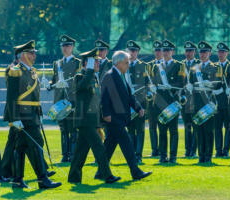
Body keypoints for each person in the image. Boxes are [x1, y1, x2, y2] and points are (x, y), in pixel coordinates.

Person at [4, 40, 61, 189]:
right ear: (22, 55)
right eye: (30, 53)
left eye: (34, 53)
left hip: (32, 115)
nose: (34, 55)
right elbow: (11, 97)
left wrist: (38, 113)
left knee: (21, 147)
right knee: (37, 144)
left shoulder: (31, 71)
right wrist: (14, 118)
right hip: (23, 115)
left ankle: (17, 180)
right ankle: (42, 179)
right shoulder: (16, 71)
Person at [68, 48, 120, 184]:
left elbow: (96, 101)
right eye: (95, 62)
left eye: (98, 62)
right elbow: (81, 87)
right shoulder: (80, 76)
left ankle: (73, 177)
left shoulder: (94, 77)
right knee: (99, 148)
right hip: (84, 120)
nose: (98, 64)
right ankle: (107, 175)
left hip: (91, 121)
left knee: (81, 151)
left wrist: (99, 122)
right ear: (87, 64)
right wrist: (90, 70)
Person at [97, 50, 152, 180]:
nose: (128, 65)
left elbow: (129, 95)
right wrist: (106, 114)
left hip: (119, 117)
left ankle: (100, 172)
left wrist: (138, 108)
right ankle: (135, 171)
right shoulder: (109, 76)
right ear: (119, 63)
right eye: (126, 63)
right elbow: (104, 97)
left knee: (109, 146)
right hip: (113, 118)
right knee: (127, 143)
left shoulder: (121, 76)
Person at [151, 39, 186, 164]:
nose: (165, 52)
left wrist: (170, 85)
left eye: (168, 50)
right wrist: (153, 86)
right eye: (163, 50)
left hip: (172, 101)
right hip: (160, 102)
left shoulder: (179, 65)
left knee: (173, 131)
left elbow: (182, 82)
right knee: (162, 130)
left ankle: (173, 156)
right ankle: (163, 156)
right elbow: (153, 82)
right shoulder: (156, 66)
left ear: (172, 51)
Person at [48, 35, 80, 162]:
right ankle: (64, 154)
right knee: (63, 128)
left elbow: (79, 80)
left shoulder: (77, 62)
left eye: (67, 46)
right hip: (59, 99)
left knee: (72, 127)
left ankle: (72, 154)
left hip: (71, 99)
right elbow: (55, 78)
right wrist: (50, 83)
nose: (65, 48)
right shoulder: (57, 63)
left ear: (72, 47)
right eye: (63, 46)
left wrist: (69, 84)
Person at [190, 41, 221, 163]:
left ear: (209, 53)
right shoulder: (194, 68)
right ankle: (201, 155)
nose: (202, 54)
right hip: (197, 102)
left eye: (205, 52)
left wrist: (212, 84)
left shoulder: (215, 67)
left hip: (209, 102)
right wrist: (189, 86)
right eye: (201, 52)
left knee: (208, 130)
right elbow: (190, 83)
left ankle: (208, 155)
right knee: (199, 130)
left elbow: (220, 84)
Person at [126, 40, 149, 164]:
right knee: (130, 130)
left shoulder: (144, 66)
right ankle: (131, 154)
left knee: (140, 130)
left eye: (134, 51)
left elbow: (148, 83)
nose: (132, 53)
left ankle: (139, 155)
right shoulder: (123, 65)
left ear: (138, 52)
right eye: (130, 50)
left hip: (140, 102)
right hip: (128, 103)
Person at [214, 42, 230, 157]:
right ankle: (218, 150)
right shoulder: (214, 66)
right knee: (217, 127)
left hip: (228, 101)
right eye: (219, 52)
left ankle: (226, 150)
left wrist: (228, 88)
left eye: (223, 52)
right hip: (216, 101)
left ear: (227, 53)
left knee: (228, 126)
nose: (221, 54)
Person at [181, 41, 199, 158]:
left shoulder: (199, 64)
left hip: (196, 99)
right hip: (184, 99)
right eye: (187, 51)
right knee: (187, 126)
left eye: (191, 51)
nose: (188, 53)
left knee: (196, 126)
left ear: (194, 52)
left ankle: (194, 150)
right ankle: (187, 149)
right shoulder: (180, 64)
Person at [146, 40, 163, 157]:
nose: (158, 52)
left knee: (162, 127)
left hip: (163, 101)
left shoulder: (165, 65)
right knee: (152, 127)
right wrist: (149, 87)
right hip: (152, 101)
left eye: (160, 50)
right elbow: (144, 81)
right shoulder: (148, 65)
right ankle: (154, 150)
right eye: (156, 50)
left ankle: (162, 149)